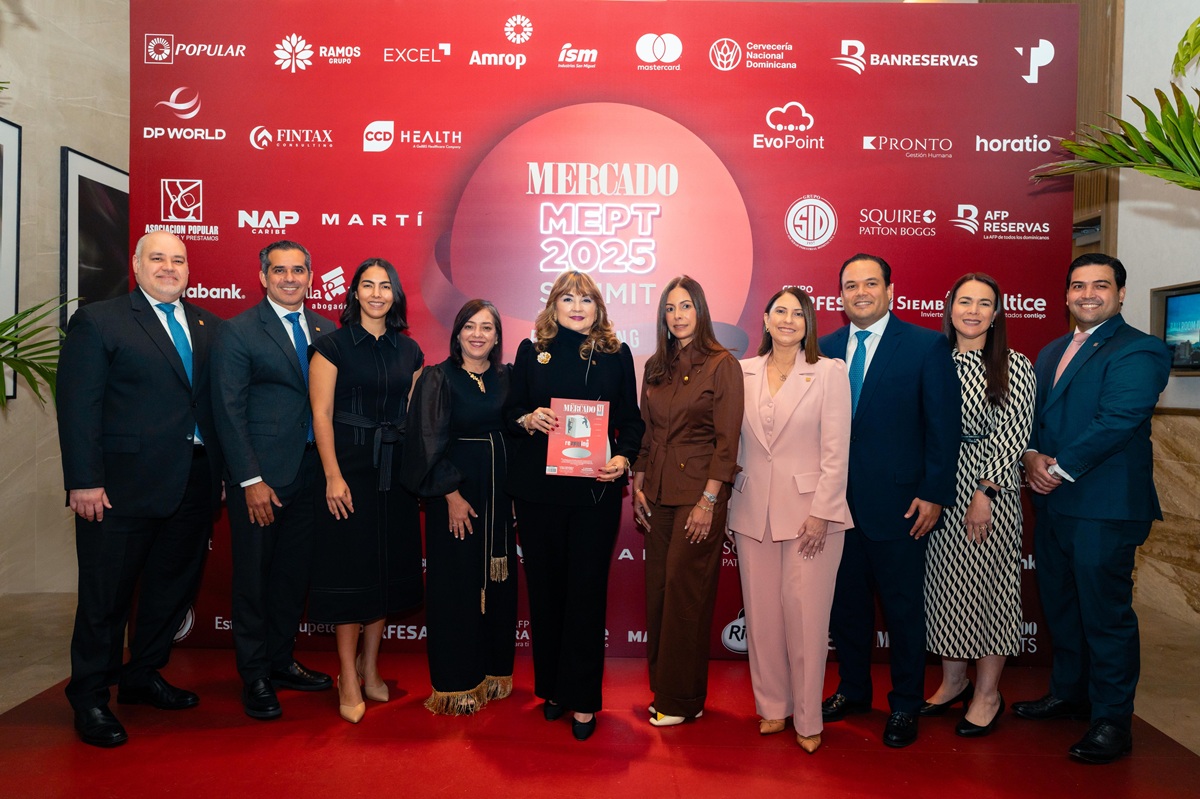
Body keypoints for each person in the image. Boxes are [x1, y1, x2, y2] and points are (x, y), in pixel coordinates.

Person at [57, 231, 223, 747]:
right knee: (106, 598)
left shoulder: (208, 326)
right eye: (158, 258)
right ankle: (90, 697)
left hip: (193, 482)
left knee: (169, 591)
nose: (169, 268)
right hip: (119, 489)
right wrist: (85, 480)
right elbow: (78, 405)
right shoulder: (100, 321)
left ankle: (142, 674)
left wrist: (218, 474)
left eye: (178, 259)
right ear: (136, 264)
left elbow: (214, 407)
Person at [1014, 253, 1171, 764]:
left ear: (1121, 294)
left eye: (1100, 286)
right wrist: (1032, 455)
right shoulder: (1051, 350)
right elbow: (1034, 419)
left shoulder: (1141, 350)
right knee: (1062, 607)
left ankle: (1111, 722)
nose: (1088, 294)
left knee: (1105, 616)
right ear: (1065, 296)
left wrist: (1056, 469)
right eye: (1078, 286)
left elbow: (1117, 420)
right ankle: (1070, 694)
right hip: (1055, 504)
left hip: (1104, 507)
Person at [816, 253, 961, 748]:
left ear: (890, 291)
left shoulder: (925, 346)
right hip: (835, 507)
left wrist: (935, 493)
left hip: (902, 507)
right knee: (847, 609)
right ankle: (854, 691)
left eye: (870, 283)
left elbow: (944, 429)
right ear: (839, 296)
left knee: (902, 611)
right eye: (851, 285)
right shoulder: (824, 348)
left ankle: (903, 705)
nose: (860, 292)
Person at [502, 270, 644, 741]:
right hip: (539, 496)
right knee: (546, 594)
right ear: (554, 305)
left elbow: (631, 421)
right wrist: (528, 417)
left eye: (586, 298)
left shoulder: (615, 355)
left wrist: (624, 456)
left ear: (598, 307)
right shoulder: (530, 351)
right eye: (568, 297)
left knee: (584, 596)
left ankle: (583, 700)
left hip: (593, 496)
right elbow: (509, 411)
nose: (577, 305)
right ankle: (553, 691)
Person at [211, 240, 333, 721]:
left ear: (310, 276)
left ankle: (281, 661)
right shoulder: (238, 331)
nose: (289, 278)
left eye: (298, 270)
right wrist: (250, 479)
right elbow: (228, 409)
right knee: (254, 579)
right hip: (263, 477)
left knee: (291, 577)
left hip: (311, 472)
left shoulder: (325, 330)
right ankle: (255, 674)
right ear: (262, 277)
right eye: (279, 270)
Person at [727, 286, 852, 753]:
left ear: (808, 323)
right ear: (764, 318)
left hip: (810, 515)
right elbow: (733, 445)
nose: (787, 320)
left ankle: (808, 717)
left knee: (807, 620)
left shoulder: (827, 372)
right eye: (779, 311)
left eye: (797, 314)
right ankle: (772, 708)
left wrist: (823, 511)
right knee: (762, 620)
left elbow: (837, 449)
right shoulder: (741, 372)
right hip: (751, 510)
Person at [307, 257, 425, 724]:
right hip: (348, 471)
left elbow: (415, 416)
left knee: (384, 571)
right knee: (351, 572)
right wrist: (333, 475)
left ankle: (371, 668)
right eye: (367, 285)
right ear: (354, 292)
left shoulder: (410, 351)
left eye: (385, 286)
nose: (377, 293)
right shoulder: (330, 345)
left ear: (395, 295)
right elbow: (320, 415)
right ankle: (346, 674)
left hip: (393, 473)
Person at [921, 273, 1035, 738]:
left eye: (983, 303)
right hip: (939, 486)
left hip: (990, 489)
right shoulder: (933, 360)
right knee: (946, 591)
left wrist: (983, 493)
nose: (972, 311)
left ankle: (987, 693)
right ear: (949, 308)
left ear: (997, 313)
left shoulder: (1014, 364)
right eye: (964, 301)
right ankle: (953, 681)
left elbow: (1014, 432)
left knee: (989, 591)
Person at [631, 276, 742, 728]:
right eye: (670, 309)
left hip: (699, 496)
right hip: (655, 495)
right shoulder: (657, 365)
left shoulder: (722, 365)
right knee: (659, 596)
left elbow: (727, 442)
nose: (677, 315)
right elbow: (646, 432)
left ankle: (682, 699)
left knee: (685, 597)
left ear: (701, 310)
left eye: (686, 307)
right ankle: (667, 690)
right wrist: (637, 485)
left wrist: (709, 501)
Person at [401, 299, 517, 715]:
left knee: (497, 583)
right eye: (470, 326)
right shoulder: (439, 377)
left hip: (499, 498)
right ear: (457, 332)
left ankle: (493, 673)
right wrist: (449, 493)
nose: (478, 335)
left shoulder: (508, 378)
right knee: (456, 585)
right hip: (456, 496)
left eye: (487, 327)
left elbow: (521, 430)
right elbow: (425, 440)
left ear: (498, 337)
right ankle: (456, 683)